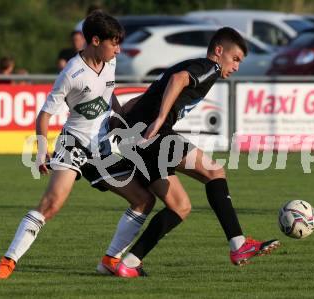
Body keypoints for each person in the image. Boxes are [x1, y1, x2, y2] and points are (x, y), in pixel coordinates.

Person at [0, 11, 155, 280]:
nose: (118, 49)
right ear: (95, 40)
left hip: (101, 148)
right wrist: (42, 150)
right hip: (74, 145)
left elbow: (108, 96)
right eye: (114, 43)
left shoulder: (110, 63)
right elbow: (44, 114)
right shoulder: (72, 73)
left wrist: (118, 120)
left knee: (143, 200)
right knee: (51, 205)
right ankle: (8, 261)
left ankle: (110, 260)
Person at [111, 27, 280, 277]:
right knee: (215, 171)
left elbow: (151, 93)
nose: (236, 67)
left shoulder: (194, 65)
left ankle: (130, 264)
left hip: (135, 141)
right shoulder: (208, 67)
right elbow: (178, 79)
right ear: (219, 51)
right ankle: (238, 244)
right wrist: (159, 120)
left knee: (179, 206)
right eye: (235, 59)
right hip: (153, 135)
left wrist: (123, 120)